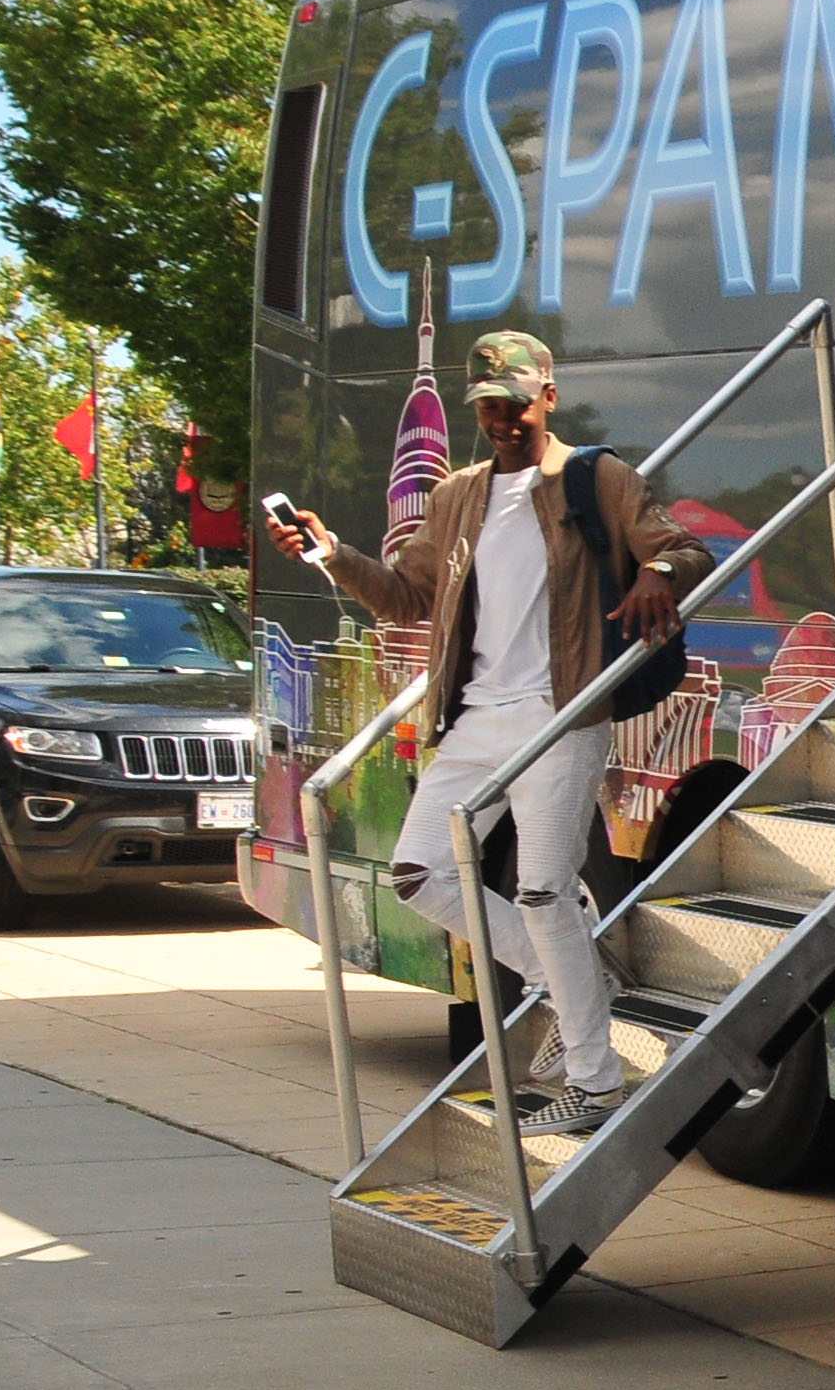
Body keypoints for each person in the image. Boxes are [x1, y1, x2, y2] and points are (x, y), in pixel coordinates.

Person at [266, 328, 698, 1139]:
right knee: (417, 873)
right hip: (475, 716)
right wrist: (330, 555)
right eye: (488, 406)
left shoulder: (595, 478)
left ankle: (595, 1081)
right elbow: (404, 597)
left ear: (548, 396)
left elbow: (680, 547)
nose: (501, 419)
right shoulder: (458, 493)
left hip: (562, 714)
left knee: (541, 889)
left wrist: (656, 574)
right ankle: (571, 988)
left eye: (515, 403)